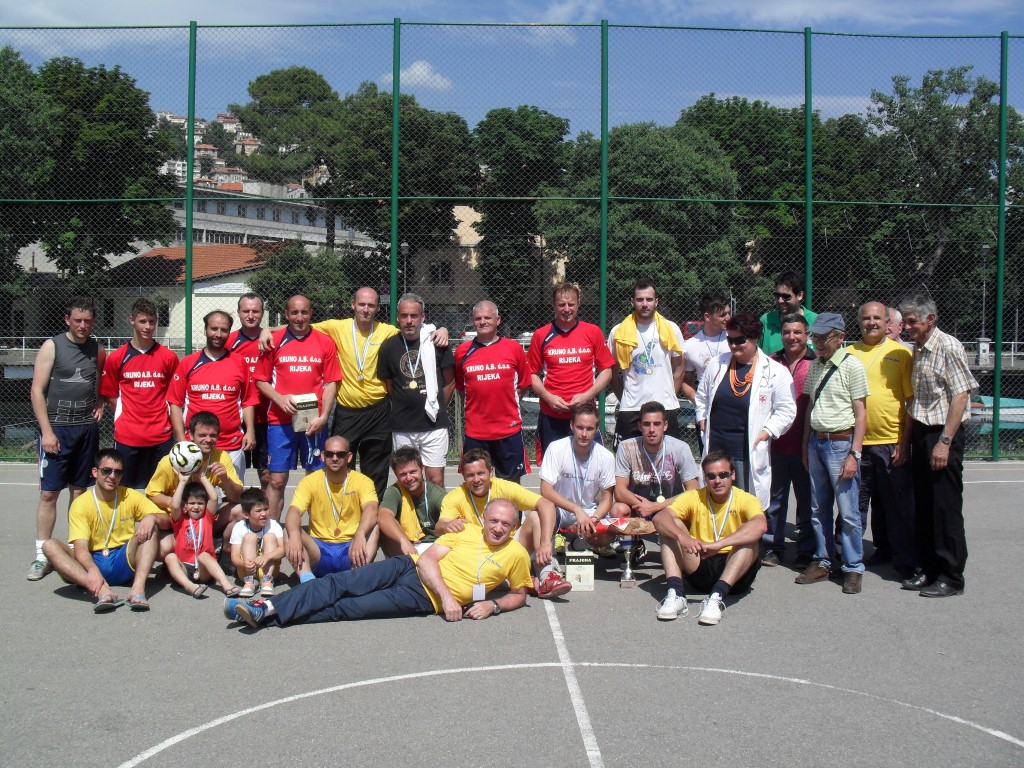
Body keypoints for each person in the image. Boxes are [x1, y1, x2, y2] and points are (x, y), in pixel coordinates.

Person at [223, 499, 532, 629]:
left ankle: (264, 617)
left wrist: (494, 605)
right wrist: (449, 598)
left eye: (506, 524)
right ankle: (265, 606)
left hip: (421, 598)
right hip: (408, 567)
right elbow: (428, 560)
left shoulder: (516, 554)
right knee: (340, 583)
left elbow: (519, 593)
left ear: (515, 527)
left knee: (348, 608)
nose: (498, 528)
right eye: (494, 520)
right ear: (485, 518)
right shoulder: (465, 531)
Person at [262, 286, 448, 499]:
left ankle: (373, 513)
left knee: (375, 472)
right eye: (361, 304)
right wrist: (269, 330)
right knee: (339, 466)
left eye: (371, 305)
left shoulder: (387, 331)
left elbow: (418, 328)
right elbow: (301, 324)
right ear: (353, 305)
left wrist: (442, 329)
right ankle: (343, 511)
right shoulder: (336, 327)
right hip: (347, 412)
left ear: (378, 308)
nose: (365, 309)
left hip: (378, 412)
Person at [899, 294, 976, 598]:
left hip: (943, 433)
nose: (907, 327)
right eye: (905, 322)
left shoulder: (948, 346)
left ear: (930, 319)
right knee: (924, 505)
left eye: (912, 322)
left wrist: (945, 442)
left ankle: (952, 576)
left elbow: (961, 395)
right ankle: (929, 569)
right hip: (922, 431)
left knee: (945, 507)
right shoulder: (917, 348)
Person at [28, 297, 105, 581]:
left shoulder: (98, 350)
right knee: (49, 494)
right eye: (77, 320)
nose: (82, 325)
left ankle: (75, 551)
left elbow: (101, 383)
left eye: (87, 321)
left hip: (86, 429)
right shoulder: (52, 346)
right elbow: (37, 391)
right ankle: (41, 554)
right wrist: (47, 431)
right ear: (67, 320)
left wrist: (100, 402)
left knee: (79, 492)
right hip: (57, 430)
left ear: (93, 322)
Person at [795, 312, 869, 595]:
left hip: (840, 444)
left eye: (824, 337)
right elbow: (810, 408)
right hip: (816, 442)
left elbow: (861, 413)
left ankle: (853, 567)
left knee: (848, 510)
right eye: (815, 337)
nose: (817, 342)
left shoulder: (852, 366)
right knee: (818, 507)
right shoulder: (815, 366)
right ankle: (824, 560)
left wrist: (854, 453)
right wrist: (805, 444)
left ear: (839, 337)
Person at [41, 449, 166, 612]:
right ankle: (102, 591)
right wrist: (92, 570)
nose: (112, 476)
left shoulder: (130, 495)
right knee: (49, 545)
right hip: (93, 559)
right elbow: (80, 548)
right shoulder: (81, 504)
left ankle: (138, 590)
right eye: (106, 471)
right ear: (95, 472)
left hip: (123, 558)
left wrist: (152, 517)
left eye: (118, 472)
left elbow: (167, 520)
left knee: (152, 527)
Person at [436, 448, 570, 598]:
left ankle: (546, 576)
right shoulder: (455, 497)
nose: (476, 480)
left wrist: (545, 543)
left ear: (491, 472)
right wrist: (447, 525)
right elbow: (440, 526)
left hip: (510, 547)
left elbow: (546, 503)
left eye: (481, 473)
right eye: (470, 475)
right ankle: (520, 580)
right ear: (463, 476)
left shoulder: (505, 487)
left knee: (536, 516)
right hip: (477, 555)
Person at [653, 451, 767, 624]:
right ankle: (676, 594)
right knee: (671, 526)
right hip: (701, 561)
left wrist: (719, 545)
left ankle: (716, 598)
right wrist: (683, 537)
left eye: (723, 475)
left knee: (749, 534)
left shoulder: (746, 499)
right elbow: (659, 518)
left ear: (733, 475)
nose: (717, 481)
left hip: (735, 570)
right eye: (711, 476)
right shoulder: (694, 496)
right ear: (705, 479)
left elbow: (761, 526)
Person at [696, 312, 796, 507]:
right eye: (730, 340)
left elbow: (786, 410)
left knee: (745, 503)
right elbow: (702, 396)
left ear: (755, 338)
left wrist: (767, 432)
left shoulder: (775, 372)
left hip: (746, 450)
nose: (734, 346)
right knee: (714, 501)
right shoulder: (717, 364)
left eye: (740, 340)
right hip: (716, 446)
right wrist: (702, 419)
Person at [254, 295, 341, 520]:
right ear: (286, 314)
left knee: (315, 478)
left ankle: (318, 529)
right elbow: (261, 380)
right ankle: (273, 531)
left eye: (304, 312)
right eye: (294, 313)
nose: (299, 317)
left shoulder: (325, 342)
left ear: (311, 314)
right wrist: (280, 399)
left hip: (313, 422)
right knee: (276, 480)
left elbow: (331, 382)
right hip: (280, 423)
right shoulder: (273, 341)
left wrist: (324, 416)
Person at [848, 301, 916, 578]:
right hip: (856, 444)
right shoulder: (848, 353)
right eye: (866, 318)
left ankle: (905, 561)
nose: (872, 323)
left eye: (877, 318)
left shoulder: (901, 353)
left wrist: (903, 442)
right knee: (856, 505)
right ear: (859, 322)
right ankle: (852, 559)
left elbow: (911, 402)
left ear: (888, 322)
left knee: (897, 505)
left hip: (890, 441)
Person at [527, 283, 615, 461]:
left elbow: (607, 370)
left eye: (571, 304)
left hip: (584, 417)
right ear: (554, 305)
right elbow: (530, 374)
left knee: (591, 467)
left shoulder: (592, 332)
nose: (566, 309)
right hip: (552, 415)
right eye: (561, 304)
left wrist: (587, 395)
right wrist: (548, 397)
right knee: (552, 469)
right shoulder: (541, 335)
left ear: (578, 304)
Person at [375, 293, 456, 487]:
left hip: (434, 424)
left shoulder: (437, 343)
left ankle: (435, 509)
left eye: (414, 315)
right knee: (407, 479)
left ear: (423, 317)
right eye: (404, 316)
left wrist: (436, 406)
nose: (409, 321)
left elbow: (450, 382)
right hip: (403, 425)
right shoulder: (388, 347)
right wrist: (407, 402)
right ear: (398, 317)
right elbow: (389, 385)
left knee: (435, 479)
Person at [167, 310, 256, 482]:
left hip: (231, 445)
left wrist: (250, 431)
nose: (218, 334)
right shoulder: (188, 363)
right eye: (214, 329)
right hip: (194, 448)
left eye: (224, 330)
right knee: (195, 496)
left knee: (233, 495)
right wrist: (181, 440)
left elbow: (248, 401)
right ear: (205, 330)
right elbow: (175, 404)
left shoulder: (239, 362)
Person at [100, 298, 179, 490]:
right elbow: (110, 396)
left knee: (162, 492)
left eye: (152, 321)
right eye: (142, 321)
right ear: (132, 321)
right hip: (128, 437)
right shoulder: (116, 358)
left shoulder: (168, 357)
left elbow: (174, 396)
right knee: (124, 492)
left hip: (161, 436)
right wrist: (128, 417)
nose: (148, 327)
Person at [612, 401, 700, 562]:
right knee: (618, 510)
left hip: (670, 508)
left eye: (657, 424)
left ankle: (681, 551)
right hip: (639, 507)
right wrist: (644, 506)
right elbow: (619, 491)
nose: (651, 429)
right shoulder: (626, 447)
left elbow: (693, 491)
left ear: (665, 426)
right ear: (639, 426)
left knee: (692, 509)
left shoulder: (680, 448)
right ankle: (635, 546)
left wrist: (656, 507)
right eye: (647, 424)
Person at [455, 300, 532, 481]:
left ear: (498, 320)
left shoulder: (513, 348)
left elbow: (524, 384)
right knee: (477, 484)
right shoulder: (462, 352)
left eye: (487, 318)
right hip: (476, 433)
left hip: (509, 431)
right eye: (478, 318)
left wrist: (508, 402)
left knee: (511, 487)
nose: (483, 322)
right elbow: (461, 389)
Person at [283, 435, 378, 580]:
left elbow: (371, 508)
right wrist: (295, 534)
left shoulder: (363, 481)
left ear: (349, 457)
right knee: (289, 531)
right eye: (329, 454)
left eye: (340, 454)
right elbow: (294, 512)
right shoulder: (309, 481)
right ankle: (308, 580)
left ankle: (356, 578)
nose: (334, 458)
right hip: (319, 549)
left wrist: (360, 534)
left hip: (351, 547)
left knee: (375, 527)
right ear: (322, 456)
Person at [762, 313, 816, 567]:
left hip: (806, 445)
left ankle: (807, 550)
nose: (791, 337)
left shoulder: (816, 363)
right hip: (776, 445)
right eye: (786, 332)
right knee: (775, 499)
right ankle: (773, 547)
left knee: (807, 501)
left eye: (797, 332)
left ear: (807, 335)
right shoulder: (770, 362)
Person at [607, 280, 685, 446]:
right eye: (640, 299)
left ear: (656, 302)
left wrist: (670, 396)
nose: (644, 304)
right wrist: (625, 398)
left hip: (665, 407)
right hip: (631, 408)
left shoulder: (671, 329)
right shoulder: (618, 332)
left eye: (649, 299)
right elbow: (612, 373)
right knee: (626, 458)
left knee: (668, 459)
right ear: (632, 302)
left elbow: (679, 369)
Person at [145, 411, 244, 530]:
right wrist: (174, 503)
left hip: (206, 517)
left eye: (213, 435)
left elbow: (237, 497)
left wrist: (226, 479)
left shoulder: (222, 457)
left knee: (241, 509)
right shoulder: (171, 460)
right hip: (175, 518)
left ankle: (222, 541)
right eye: (202, 435)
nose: (208, 440)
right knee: (152, 523)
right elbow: (152, 494)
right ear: (191, 435)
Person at [539, 405, 617, 553]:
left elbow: (607, 498)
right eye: (580, 427)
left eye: (589, 429)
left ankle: (578, 543)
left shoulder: (606, 456)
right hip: (560, 509)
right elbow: (546, 490)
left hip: (590, 512)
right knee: (539, 514)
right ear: (572, 426)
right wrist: (577, 510)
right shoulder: (556, 448)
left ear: (597, 429)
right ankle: (551, 545)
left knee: (608, 535)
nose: (584, 434)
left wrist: (593, 519)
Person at [160, 471, 237, 598]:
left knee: (204, 555)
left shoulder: (207, 517)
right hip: (184, 568)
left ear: (205, 505)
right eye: (192, 503)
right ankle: (189, 586)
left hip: (203, 569)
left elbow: (214, 498)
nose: (196, 507)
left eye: (200, 503)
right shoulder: (180, 520)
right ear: (185, 505)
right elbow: (174, 506)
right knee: (170, 557)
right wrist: (182, 482)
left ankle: (226, 585)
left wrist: (202, 476)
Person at [227, 293, 269, 487]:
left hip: (266, 418)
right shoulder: (229, 342)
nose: (250, 316)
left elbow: (295, 326)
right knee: (232, 477)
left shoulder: (271, 339)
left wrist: (269, 329)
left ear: (262, 313)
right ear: (238, 312)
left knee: (267, 476)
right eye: (246, 311)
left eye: (255, 311)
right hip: (237, 419)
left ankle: (266, 508)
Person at [375, 446, 447, 556]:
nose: (409, 478)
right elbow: (383, 517)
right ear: (396, 475)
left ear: (422, 470)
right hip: (404, 547)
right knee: (378, 527)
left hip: (434, 546)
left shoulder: (437, 494)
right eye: (403, 474)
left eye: (413, 472)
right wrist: (403, 540)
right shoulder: (394, 491)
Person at [229, 487, 284, 598]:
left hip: (270, 568)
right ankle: (250, 581)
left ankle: (267, 580)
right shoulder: (239, 527)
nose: (263, 513)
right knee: (250, 537)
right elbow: (234, 556)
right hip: (246, 570)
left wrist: (267, 557)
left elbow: (283, 549)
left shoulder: (273, 525)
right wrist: (243, 564)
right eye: (258, 511)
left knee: (269, 537)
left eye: (266, 509)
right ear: (246, 515)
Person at [682, 292, 732, 404]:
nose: (728, 318)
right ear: (707, 316)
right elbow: (686, 381)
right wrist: (700, 404)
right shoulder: (690, 345)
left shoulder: (736, 338)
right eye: (723, 315)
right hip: (706, 407)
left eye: (728, 313)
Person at [759, 270, 818, 355]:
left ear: (800, 295)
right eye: (777, 296)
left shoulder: (816, 321)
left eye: (786, 296)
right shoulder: (766, 320)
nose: (780, 301)